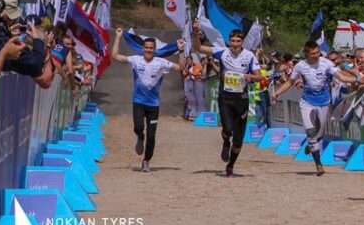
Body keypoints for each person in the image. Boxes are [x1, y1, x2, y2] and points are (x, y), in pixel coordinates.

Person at [271, 40, 359, 176]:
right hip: (307, 102)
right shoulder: (300, 66)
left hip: (324, 102)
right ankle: (318, 165)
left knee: (319, 133)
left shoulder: (326, 63)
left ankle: (311, 145)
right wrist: (277, 93)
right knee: (311, 132)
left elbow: (341, 76)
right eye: (313, 53)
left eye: (318, 52)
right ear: (306, 54)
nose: (317, 55)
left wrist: (358, 79)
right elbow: (290, 82)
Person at [192, 21, 263, 177]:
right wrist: (196, 33)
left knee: (238, 140)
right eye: (232, 41)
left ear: (242, 42)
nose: (235, 44)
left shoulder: (249, 56)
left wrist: (249, 76)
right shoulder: (222, 52)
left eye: (238, 41)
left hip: (242, 100)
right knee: (227, 130)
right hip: (225, 98)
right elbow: (198, 48)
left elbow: (259, 77)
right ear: (229, 41)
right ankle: (225, 143)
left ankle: (230, 165)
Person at [111, 27, 184, 173]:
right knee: (138, 128)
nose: (149, 50)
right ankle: (140, 136)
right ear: (143, 48)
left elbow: (181, 66)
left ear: (154, 49)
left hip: (153, 105)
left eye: (151, 48)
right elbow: (115, 56)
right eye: (147, 48)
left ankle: (146, 161)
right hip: (138, 102)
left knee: (152, 136)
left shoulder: (161, 62)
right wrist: (118, 37)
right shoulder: (136, 60)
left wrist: (181, 50)